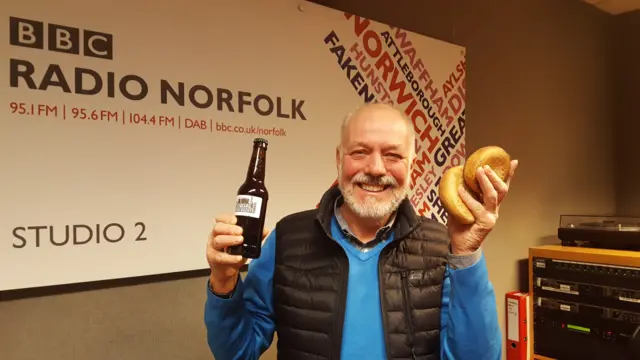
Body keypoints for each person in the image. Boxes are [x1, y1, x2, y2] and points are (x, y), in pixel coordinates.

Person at [204, 102, 519, 360]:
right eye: (359, 152)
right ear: (339, 160)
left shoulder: (443, 247)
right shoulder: (286, 239)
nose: (376, 168)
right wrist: (223, 282)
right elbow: (237, 353)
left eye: (393, 155)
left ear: (412, 165)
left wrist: (466, 252)